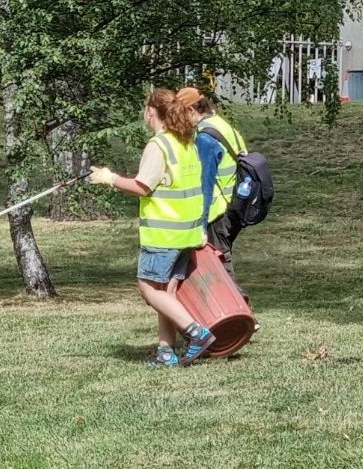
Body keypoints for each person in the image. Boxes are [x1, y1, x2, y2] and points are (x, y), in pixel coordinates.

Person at [89, 88, 216, 367]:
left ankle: (197, 333)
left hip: (164, 233)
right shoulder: (185, 143)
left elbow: (142, 186)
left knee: (148, 289)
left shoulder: (159, 146)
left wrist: (108, 178)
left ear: (150, 112)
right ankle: (166, 352)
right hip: (186, 233)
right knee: (165, 293)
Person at [180, 88, 250, 301]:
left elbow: (206, 183)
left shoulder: (205, 137)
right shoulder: (222, 125)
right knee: (220, 260)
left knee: (219, 262)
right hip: (236, 205)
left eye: (182, 113)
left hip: (218, 211)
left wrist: (200, 225)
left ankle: (240, 312)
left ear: (192, 109)